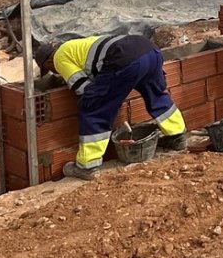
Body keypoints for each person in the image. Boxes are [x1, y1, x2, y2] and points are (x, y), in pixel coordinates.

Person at [34, 34, 187, 180]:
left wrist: (100, 97)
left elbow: (83, 88)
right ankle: (177, 137)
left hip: (126, 59)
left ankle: (87, 166)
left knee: (93, 107)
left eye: (50, 69)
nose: (55, 72)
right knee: (156, 95)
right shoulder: (74, 45)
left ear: (49, 61)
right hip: (150, 50)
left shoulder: (59, 57)